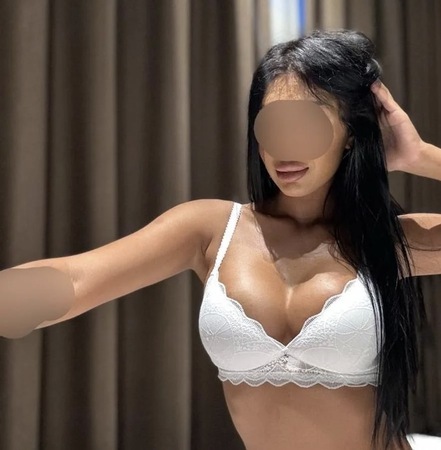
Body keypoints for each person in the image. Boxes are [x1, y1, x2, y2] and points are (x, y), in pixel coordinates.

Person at [2, 29, 441, 450]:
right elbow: (74, 280)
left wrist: (420, 156)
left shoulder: (387, 240)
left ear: (350, 135)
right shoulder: (213, 229)